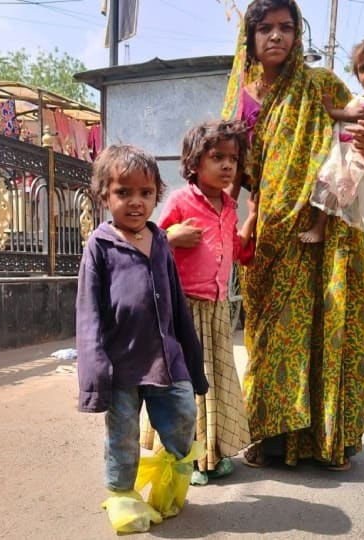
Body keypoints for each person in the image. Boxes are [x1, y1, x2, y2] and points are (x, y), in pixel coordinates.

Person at [222, 0, 364, 471]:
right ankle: (272, 441)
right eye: (266, 28)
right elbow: (234, 170)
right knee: (272, 336)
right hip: (270, 236)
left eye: (286, 28)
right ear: (250, 37)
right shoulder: (239, 97)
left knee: (328, 326)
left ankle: (329, 439)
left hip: (326, 229)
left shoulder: (322, 86)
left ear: (297, 36)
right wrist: (233, 222)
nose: (276, 36)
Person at [75, 144, 209, 531]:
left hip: (166, 359)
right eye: (123, 192)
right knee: (123, 437)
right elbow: (88, 314)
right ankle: (123, 497)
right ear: (104, 195)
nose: (135, 202)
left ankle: (172, 481)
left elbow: (178, 307)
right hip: (121, 366)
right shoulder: (99, 245)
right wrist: (95, 373)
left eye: (145, 193)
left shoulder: (160, 240)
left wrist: (193, 362)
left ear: (156, 195)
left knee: (184, 416)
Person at [140, 120, 257, 486]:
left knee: (215, 382)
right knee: (182, 384)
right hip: (185, 310)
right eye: (217, 157)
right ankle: (182, 459)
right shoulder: (180, 200)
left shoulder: (227, 206)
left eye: (233, 159)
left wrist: (251, 218)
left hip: (218, 309)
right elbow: (149, 242)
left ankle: (210, 455)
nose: (227, 165)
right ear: (194, 161)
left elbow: (236, 250)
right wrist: (172, 236)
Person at [300, 33, 364, 243]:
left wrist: (331, 110)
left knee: (334, 183)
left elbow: (356, 115)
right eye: (363, 68)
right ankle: (324, 229)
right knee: (335, 187)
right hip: (346, 148)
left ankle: (320, 229)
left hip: (353, 151)